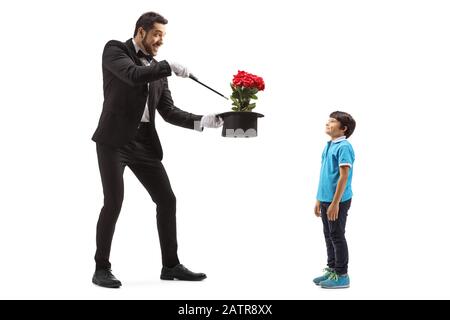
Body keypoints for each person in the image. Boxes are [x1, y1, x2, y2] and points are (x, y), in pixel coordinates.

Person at [91, 11, 223, 288]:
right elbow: (132, 74)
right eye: (157, 34)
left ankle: (171, 266)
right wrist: (166, 66)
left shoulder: (158, 70)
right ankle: (101, 268)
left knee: (167, 200)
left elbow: (169, 112)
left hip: (143, 143)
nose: (161, 40)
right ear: (141, 32)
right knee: (114, 202)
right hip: (114, 141)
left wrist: (204, 121)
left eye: (163, 35)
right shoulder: (116, 50)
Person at [313, 111, 356, 289]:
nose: (328, 123)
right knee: (328, 235)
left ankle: (342, 274)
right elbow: (324, 174)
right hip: (325, 199)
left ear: (343, 128)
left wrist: (335, 203)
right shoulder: (329, 144)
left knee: (337, 235)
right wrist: (318, 198)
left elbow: (344, 176)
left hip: (337, 201)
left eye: (333, 121)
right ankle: (332, 269)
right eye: (328, 120)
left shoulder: (344, 146)